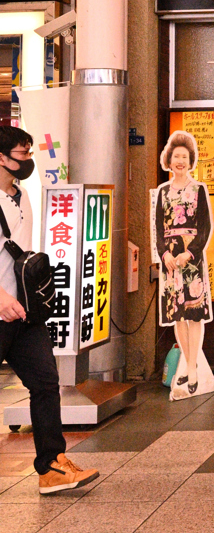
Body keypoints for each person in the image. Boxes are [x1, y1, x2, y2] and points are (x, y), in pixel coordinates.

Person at [0, 126, 98, 493]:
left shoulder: (21, 195)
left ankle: (51, 466)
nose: (28, 161)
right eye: (23, 155)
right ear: (2, 157)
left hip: (24, 313)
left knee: (45, 382)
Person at [155, 130, 213, 395]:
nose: (180, 160)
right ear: (169, 160)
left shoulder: (199, 190)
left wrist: (189, 254)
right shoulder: (163, 192)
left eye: (185, 157)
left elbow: (204, 228)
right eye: (176, 156)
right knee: (177, 313)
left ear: (191, 161)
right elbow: (157, 229)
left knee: (193, 312)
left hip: (190, 258)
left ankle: (192, 369)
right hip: (169, 260)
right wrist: (164, 254)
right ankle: (189, 367)